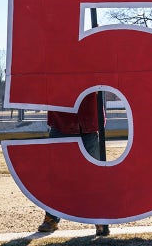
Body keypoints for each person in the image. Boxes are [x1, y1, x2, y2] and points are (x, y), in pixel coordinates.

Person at [36, 93, 110, 236]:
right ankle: (51, 217)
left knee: (95, 175)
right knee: (56, 176)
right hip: (61, 122)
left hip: (89, 122)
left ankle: (100, 218)